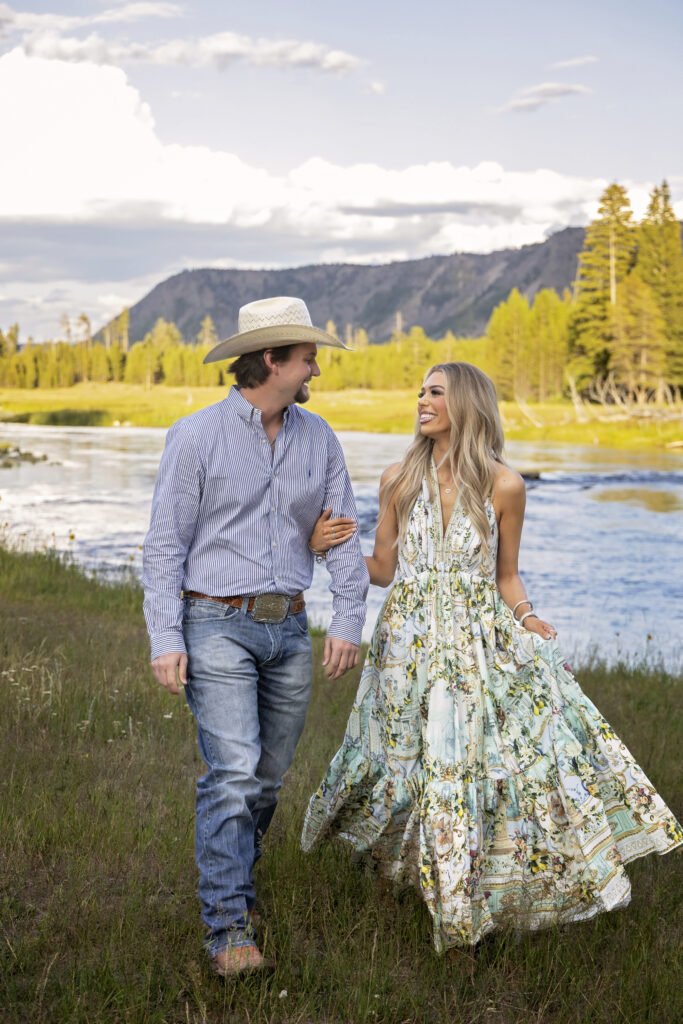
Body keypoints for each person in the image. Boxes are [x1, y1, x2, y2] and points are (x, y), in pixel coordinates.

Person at [301, 361, 682, 953]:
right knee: (399, 764)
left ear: (468, 405)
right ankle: (392, 881)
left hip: (477, 644)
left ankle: (473, 893)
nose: (421, 401)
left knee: (475, 765)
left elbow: (506, 575)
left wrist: (528, 618)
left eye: (435, 392)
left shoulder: (505, 485)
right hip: (405, 645)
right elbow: (382, 571)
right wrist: (329, 545)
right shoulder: (398, 477)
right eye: (420, 392)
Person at [142, 296, 369, 976]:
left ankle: (235, 877)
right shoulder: (194, 436)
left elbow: (343, 535)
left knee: (266, 781)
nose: (316, 370)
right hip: (213, 622)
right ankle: (228, 928)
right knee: (234, 772)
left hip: (291, 628)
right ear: (271, 361)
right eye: (307, 358)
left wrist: (349, 620)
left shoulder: (318, 437)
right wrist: (164, 637)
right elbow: (163, 548)